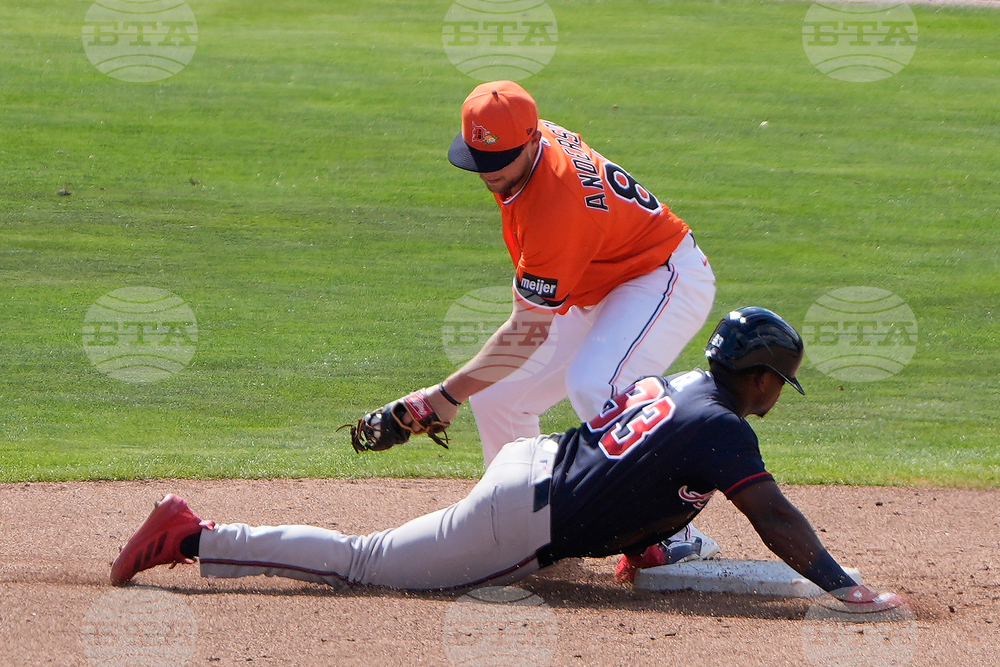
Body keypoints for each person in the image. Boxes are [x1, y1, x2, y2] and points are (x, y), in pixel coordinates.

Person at [110, 307, 904, 613]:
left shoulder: (680, 385)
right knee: (362, 564)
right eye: (780, 382)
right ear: (762, 376)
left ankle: (198, 534)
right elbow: (773, 515)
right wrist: (844, 585)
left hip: (528, 464)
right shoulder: (728, 428)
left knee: (380, 559)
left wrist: (642, 541)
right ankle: (193, 533)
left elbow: (634, 467)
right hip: (515, 519)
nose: (777, 394)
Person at [383, 79, 719, 562]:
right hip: (595, 279)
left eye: (501, 163)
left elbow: (526, 332)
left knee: (593, 384)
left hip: (662, 277)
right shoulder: (530, 138)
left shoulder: (557, 206)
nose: (489, 174)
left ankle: (666, 531)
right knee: (500, 393)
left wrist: (442, 396)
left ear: (533, 141)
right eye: (482, 161)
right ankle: (524, 525)